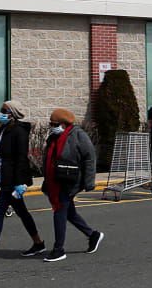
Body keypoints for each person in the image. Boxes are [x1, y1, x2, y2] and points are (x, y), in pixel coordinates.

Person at [0, 101, 44, 263]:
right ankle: (38, 243)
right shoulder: (2, 130)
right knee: (22, 212)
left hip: (11, 180)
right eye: (1, 110)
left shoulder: (20, 132)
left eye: (4, 111)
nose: (1, 113)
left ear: (12, 114)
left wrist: (19, 182)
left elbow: (20, 159)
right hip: (2, 177)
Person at [40, 108, 103, 262]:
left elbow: (89, 157)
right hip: (56, 180)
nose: (52, 126)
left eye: (55, 124)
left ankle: (58, 249)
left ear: (63, 123)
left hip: (70, 180)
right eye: (51, 124)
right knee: (69, 213)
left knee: (59, 211)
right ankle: (93, 235)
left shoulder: (78, 135)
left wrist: (89, 182)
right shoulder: (54, 137)